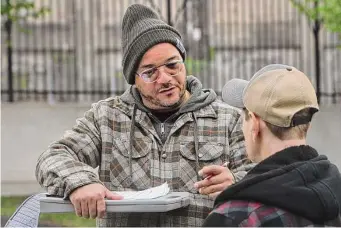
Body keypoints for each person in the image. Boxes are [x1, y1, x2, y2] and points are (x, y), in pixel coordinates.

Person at [35, 4, 254, 227]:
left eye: (172, 65)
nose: (165, 78)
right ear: (134, 79)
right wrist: (80, 183)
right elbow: (53, 157)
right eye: (150, 72)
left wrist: (235, 181)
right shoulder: (107, 118)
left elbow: (265, 174)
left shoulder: (227, 120)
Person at [202, 64, 341, 227]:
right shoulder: (335, 192)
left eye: (244, 117)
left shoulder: (233, 217)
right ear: (308, 125)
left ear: (254, 123)